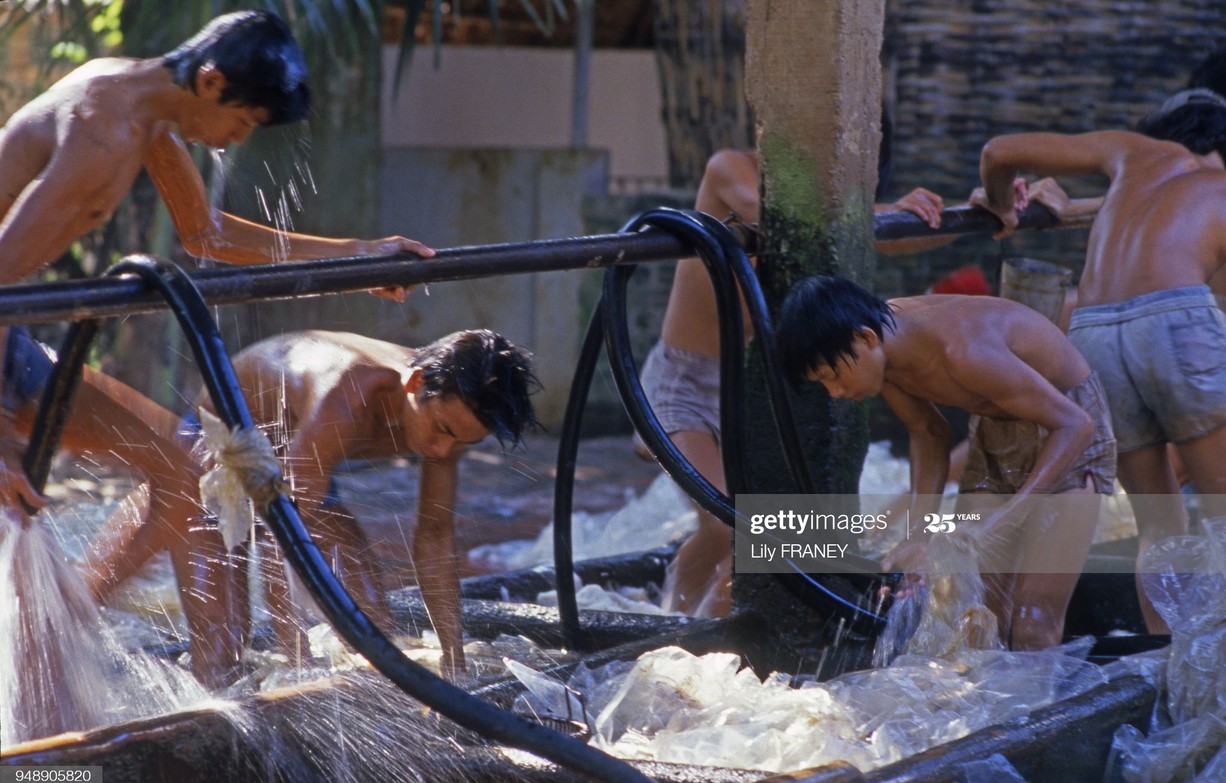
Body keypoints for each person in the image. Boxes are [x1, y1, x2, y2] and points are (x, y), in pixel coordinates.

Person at [0, 11, 432, 687]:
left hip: (8, 336)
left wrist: (360, 255)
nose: (240, 137)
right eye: (246, 119)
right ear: (210, 80)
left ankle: (189, 675)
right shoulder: (102, 131)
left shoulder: (144, 113)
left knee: (180, 474)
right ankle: (41, 726)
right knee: (16, 513)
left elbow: (205, 235)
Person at [85, 329, 539, 680]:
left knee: (375, 632)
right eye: (441, 430)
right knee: (222, 650)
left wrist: (453, 660)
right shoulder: (345, 400)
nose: (443, 450)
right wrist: (295, 663)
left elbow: (435, 536)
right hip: (218, 445)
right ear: (416, 383)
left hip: (291, 461)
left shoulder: (453, 414)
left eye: (461, 440)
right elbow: (283, 544)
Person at [639, 145, 958, 618]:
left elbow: (884, 235)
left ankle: (678, 618)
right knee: (733, 527)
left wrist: (954, 216)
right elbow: (771, 213)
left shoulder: (830, 207)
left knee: (746, 531)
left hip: (742, 390)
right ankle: (680, 632)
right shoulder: (729, 167)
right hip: (683, 382)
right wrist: (882, 209)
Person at [974, 89, 1226, 634]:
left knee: (1161, 528)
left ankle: (1167, 663)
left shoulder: (1130, 156)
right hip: (1177, 321)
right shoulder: (1217, 186)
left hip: (1090, 335)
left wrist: (1001, 205)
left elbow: (999, 151)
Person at [776, 275, 1116, 650]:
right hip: (994, 432)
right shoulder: (882, 351)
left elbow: (1075, 425)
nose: (835, 393)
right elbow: (927, 431)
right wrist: (917, 535)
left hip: (1065, 430)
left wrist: (1006, 520)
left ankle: (1042, 706)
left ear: (866, 339)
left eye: (834, 377)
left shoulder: (964, 352)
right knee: (981, 619)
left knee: (1032, 623)